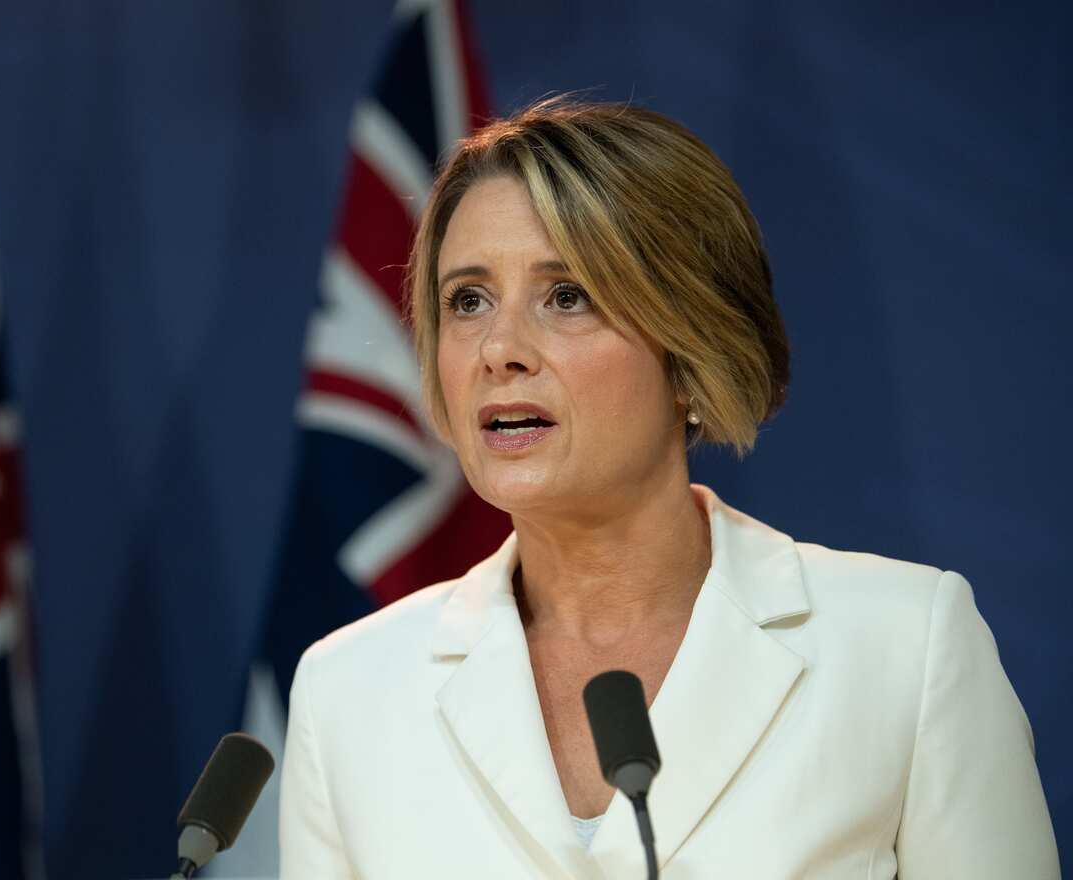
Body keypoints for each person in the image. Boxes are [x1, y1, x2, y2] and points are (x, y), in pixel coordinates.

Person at [277, 98, 1059, 879]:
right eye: (468, 301)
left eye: (568, 296)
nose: (499, 350)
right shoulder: (349, 689)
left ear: (689, 352)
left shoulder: (902, 648)